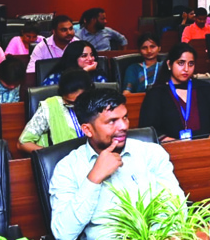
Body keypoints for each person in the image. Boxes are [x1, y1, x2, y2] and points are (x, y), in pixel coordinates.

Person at [49, 88, 183, 240]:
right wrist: (94, 178)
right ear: (87, 129)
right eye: (112, 121)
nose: (123, 126)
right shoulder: (67, 168)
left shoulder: (150, 153)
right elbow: (63, 234)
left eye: (125, 118)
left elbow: (176, 206)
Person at [139, 43, 210, 141]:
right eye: (181, 63)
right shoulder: (156, 94)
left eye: (191, 64)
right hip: (170, 151)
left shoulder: (207, 89)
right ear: (169, 64)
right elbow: (148, 130)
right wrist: (174, 144)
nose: (186, 69)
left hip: (206, 147)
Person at [19, 69, 97, 154]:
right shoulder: (50, 107)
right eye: (69, 103)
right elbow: (23, 143)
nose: (76, 106)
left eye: (80, 101)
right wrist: (52, 155)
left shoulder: (101, 105)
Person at [41, 41, 107, 86]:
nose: (90, 58)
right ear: (73, 58)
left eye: (92, 55)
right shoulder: (57, 77)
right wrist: (84, 72)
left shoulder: (97, 75)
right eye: (84, 56)